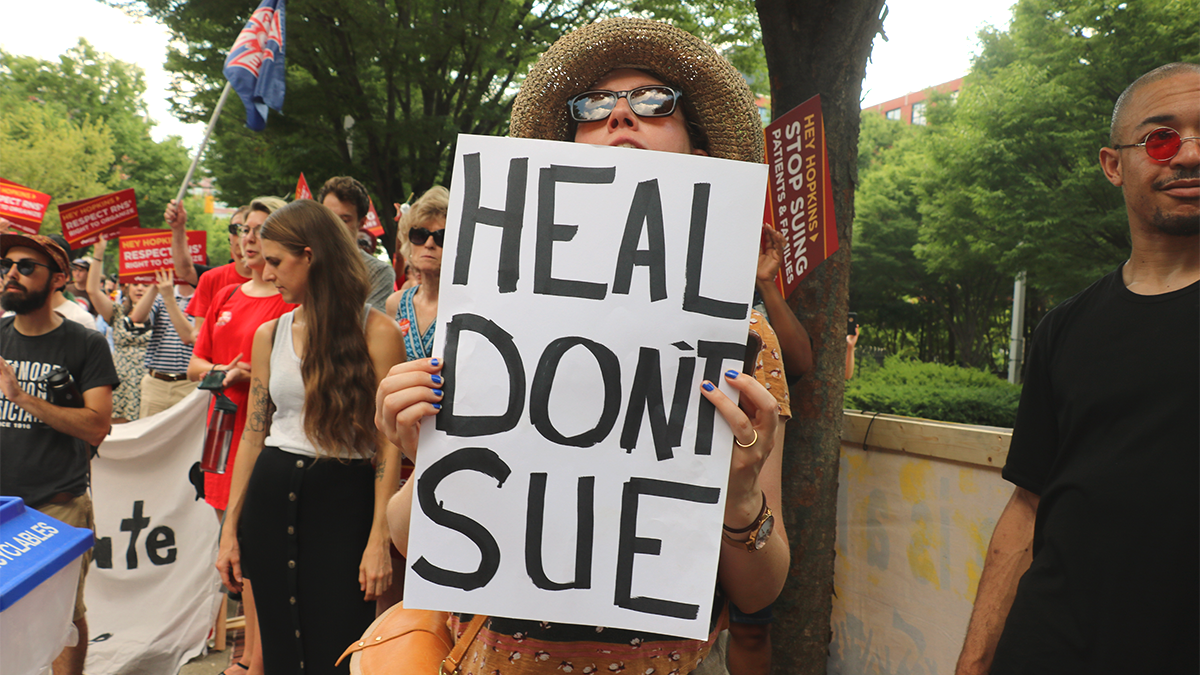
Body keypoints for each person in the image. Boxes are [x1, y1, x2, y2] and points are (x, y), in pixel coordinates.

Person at [377, 17, 790, 674]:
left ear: (700, 159)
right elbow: (413, 537)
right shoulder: (489, 307)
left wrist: (740, 501)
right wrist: (424, 460)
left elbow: (760, 588)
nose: (620, 115)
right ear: (565, 154)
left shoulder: (739, 338)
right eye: (593, 106)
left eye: (655, 101)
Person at [955, 62, 1200, 675]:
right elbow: (1029, 506)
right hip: (1048, 648)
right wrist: (974, 661)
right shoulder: (1063, 329)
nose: (1189, 156)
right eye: (1161, 138)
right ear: (1113, 164)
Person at [215, 200, 406, 674]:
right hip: (271, 493)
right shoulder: (269, 334)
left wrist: (379, 535)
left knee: (339, 643)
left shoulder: (378, 332)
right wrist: (229, 531)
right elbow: (254, 436)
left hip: (345, 502)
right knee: (280, 642)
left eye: (276, 261)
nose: (266, 271)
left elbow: (390, 442)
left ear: (311, 255)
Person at [0, 233, 119, 675]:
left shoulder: (85, 343)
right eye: (7, 265)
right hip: (1, 507)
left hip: (57, 502)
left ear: (59, 279)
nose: (12, 273)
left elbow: (97, 425)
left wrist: (22, 397)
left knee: (62, 616)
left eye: (26, 266)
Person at [188, 196, 294, 675]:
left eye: (258, 230)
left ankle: (257, 659)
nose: (248, 239)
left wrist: (250, 375)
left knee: (255, 551)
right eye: (242, 229)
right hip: (220, 434)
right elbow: (194, 367)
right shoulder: (226, 295)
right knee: (234, 548)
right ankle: (249, 654)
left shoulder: (285, 299)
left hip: (265, 438)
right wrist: (224, 373)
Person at [86, 237, 151, 422]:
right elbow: (92, 291)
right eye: (135, 284)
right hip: (118, 383)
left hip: (149, 386)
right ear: (127, 287)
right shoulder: (117, 312)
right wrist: (98, 253)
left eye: (146, 285)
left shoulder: (163, 315)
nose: (140, 289)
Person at [171, 203, 259, 334]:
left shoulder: (280, 283)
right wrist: (178, 228)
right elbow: (184, 270)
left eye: (256, 230)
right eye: (237, 229)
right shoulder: (212, 278)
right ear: (229, 236)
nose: (245, 236)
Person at [384, 186, 448, 362]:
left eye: (441, 237)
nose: (428, 243)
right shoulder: (395, 303)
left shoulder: (466, 305)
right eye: (420, 235)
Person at [316, 176, 396, 312]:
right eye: (329, 217)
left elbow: (369, 325)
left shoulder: (378, 272)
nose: (335, 226)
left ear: (362, 222)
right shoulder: (305, 263)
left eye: (344, 220)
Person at [129, 266, 196, 417]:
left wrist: (169, 299)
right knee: (149, 437)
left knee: (185, 439)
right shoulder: (159, 297)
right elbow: (137, 318)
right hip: (156, 383)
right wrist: (154, 285)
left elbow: (189, 338)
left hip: (189, 384)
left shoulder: (206, 299)